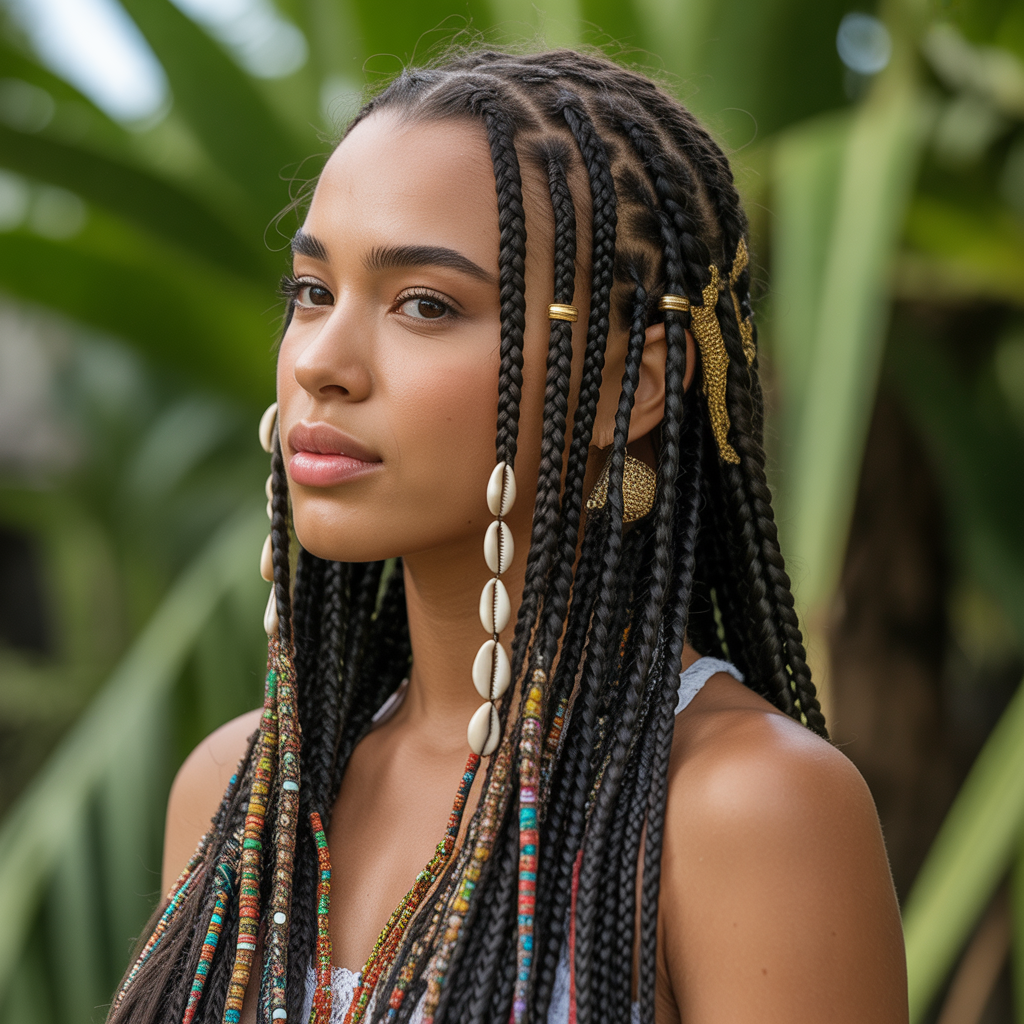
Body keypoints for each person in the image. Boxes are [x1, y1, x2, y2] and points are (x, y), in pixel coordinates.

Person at [107, 47, 908, 1024]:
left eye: (425, 305)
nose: (322, 362)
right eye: (312, 292)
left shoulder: (745, 807)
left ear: (633, 384)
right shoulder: (240, 788)